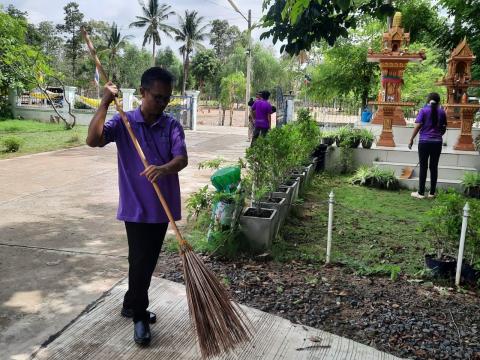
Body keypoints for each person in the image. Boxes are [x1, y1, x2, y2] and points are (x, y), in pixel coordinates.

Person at [86, 67, 188, 346]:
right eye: (157, 97)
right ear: (143, 93)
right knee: (141, 262)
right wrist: (105, 102)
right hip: (135, 207)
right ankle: (140, 315)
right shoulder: (124, 122)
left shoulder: (172, 125)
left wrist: (163, 168)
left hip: (162, 208)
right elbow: (93, 140)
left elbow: (181, 159)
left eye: (167, 98)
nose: (163, 103)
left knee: (144, 261)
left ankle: (130, 303)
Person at [408, 92, 447, 199]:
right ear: (438, 101)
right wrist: (437, 135)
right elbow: (443, 129)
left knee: (423, 167)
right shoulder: (442, 112)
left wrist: (411, 139)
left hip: (424, 142)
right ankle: (432, 193)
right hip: (437, 143)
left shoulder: (423, 111)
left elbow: (417, 126)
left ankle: (420, 193)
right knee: (434, 167)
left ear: (428, 100)